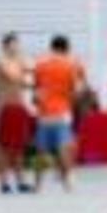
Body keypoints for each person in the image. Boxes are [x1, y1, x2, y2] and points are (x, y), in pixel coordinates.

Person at [31, 35, 86, 192]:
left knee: (41, 150)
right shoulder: (72, 65)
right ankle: (67, 181)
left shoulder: (41, 65)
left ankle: (37, 183)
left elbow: (36, 89)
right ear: (67, 48)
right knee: (64, 146)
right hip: (63, 111)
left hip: (44, 113)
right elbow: (78, 90)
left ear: (52, 47)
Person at [0, 33, 36, 193]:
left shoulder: (19, 61)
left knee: (19, 146)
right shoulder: (2, 61)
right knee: (3, 146)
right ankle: (4, 181)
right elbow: (15, 77)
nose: (16, 47)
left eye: (17, 44)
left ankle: (20, 180)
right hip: (5, 107)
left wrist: (27, 68)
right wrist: (25, 67)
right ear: (5, 46)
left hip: (18, 107)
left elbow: (31, 78)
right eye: (13, 44)